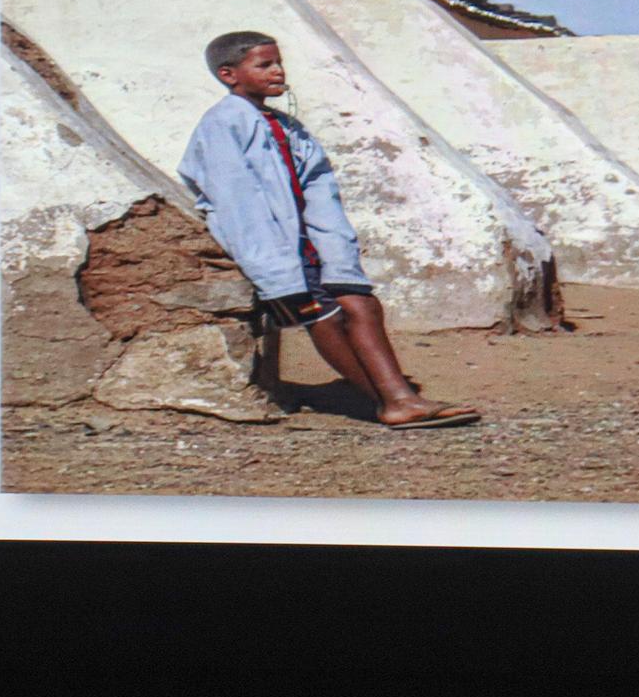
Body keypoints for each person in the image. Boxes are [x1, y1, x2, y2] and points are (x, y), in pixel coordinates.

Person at [178, 31, 480, 430]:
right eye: (264, 65)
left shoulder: (286, 126)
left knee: (362, 304)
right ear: (229, 74)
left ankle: (400, 397)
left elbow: (319, 188)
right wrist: (274, 266)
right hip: (274, 244)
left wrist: (336, 250)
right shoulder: (223, 125)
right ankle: (392, 400)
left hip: (311, 241)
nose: (278, 71)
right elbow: (236, 201)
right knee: (323, 315)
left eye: (278, 62)